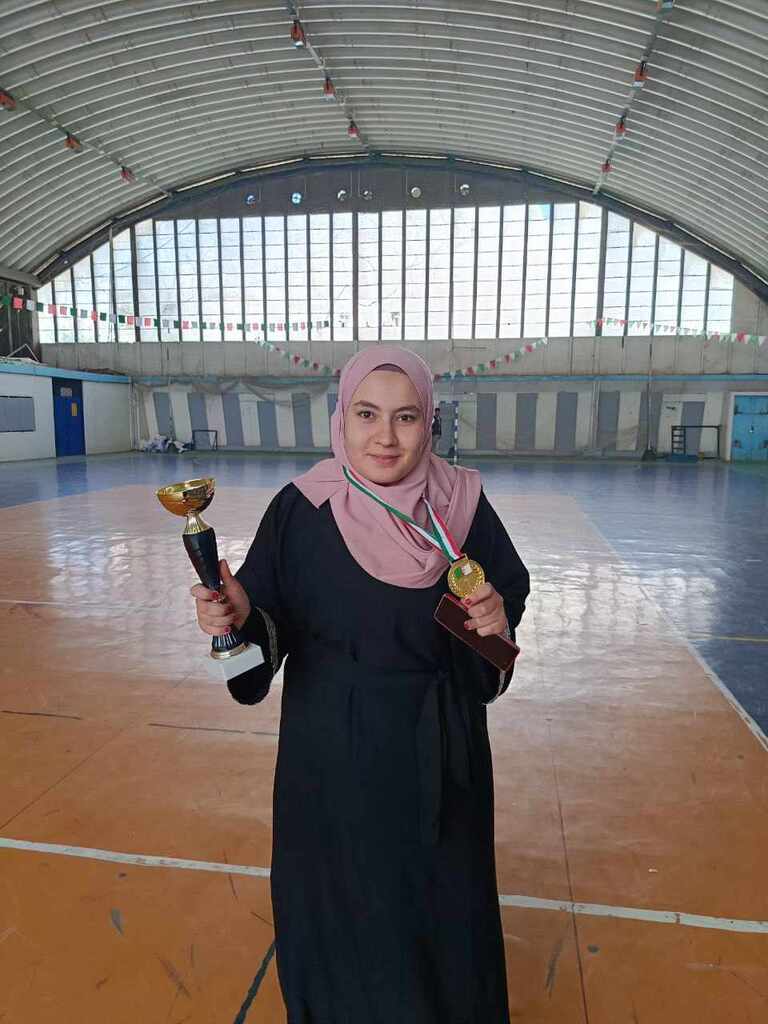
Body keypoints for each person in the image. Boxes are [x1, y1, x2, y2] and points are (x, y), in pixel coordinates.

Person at [192, 346, 530, 1024]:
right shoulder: (302, 509)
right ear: (341, 420)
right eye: (367, 415)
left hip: (440, 755)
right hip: (330, 756)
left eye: (406, 417)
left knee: (439, 911)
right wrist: (233, 623)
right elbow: (259, 644)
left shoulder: (463, 508)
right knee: (338, 909)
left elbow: (497, 629)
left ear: (430, 423)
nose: (386, 437)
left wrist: (493, 622)